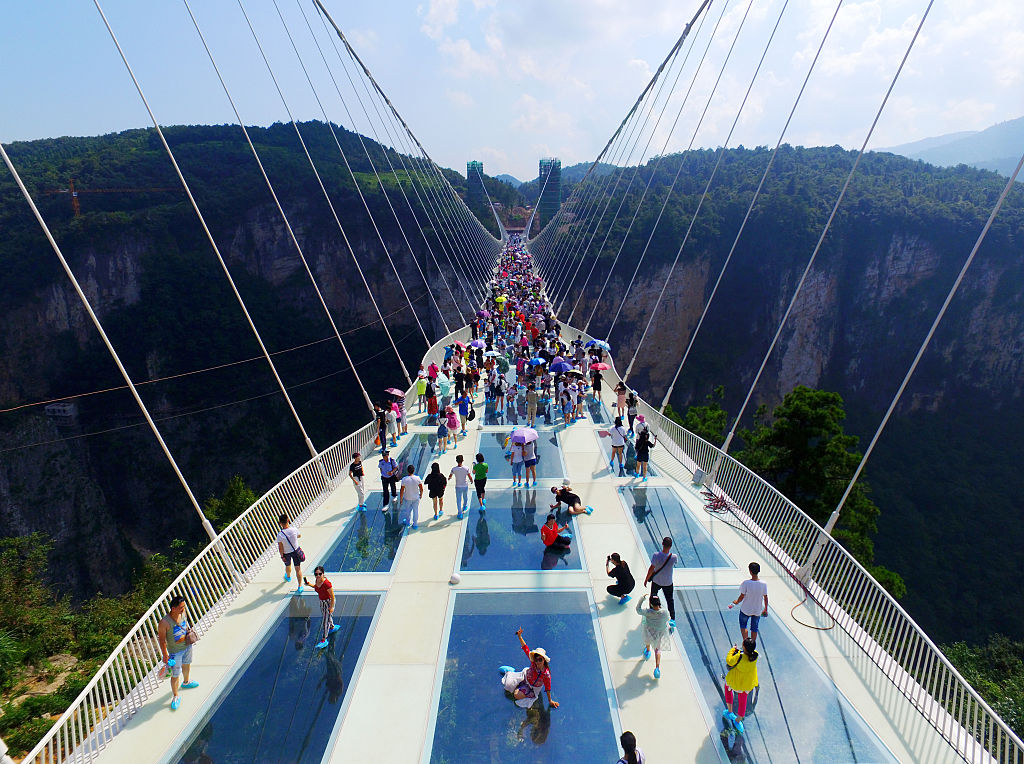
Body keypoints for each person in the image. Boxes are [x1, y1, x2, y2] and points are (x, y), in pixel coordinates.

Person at [499, 627, 559, 709]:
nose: (537, 662)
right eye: (536, 659)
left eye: (540, 659)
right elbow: (525, 648)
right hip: (524, 677)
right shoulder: (533, 662)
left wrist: (550, 701)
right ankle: (511, 672)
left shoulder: (546, 675)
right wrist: (520, 636)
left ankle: (517, 683)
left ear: (544, 660)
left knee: (516, 695)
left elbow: (548, 688)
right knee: (508, 686)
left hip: (532, 687)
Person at [159, 595, 198, 711]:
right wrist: (165, 655)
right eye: (181, 607)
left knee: (187, 664)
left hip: (187, 646)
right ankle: (176, 696)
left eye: (184, 607)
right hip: (175, 652)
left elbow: (185, 625)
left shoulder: (183, 614)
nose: (183, 609)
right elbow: (161, 640)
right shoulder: (164, 623)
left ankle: (186, 682)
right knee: (175, 674)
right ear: (173, 608)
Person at [723, 638, 759, 733]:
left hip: (735, 680)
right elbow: (748, 654)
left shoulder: (739, 657)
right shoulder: (755, 655)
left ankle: (730, 711)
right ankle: (738, 721)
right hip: (746, 683)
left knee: (728, 689)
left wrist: (733, 649)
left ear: (744, 646)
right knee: (743, 701)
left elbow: (729, 661)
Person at [303, 566, 341, 649]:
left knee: (325, 620)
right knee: (327, 617)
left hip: (328, 602)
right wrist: (309, 584)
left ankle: (324, 639)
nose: (318, 576)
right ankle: (332, 627)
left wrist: (331, 607)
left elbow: (332, 596)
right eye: (316, 574)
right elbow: (317, 587)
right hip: (322, 602)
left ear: (323, 574)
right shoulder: (317, 580)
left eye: (320, 574)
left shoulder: (327, 584)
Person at [644, 536, 677, 629]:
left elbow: (651, 569)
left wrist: (646, 579)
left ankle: (651, 612)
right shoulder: (674, 557)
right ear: (671, 546)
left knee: (652, 596)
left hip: (656, 581)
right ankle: (672, 619)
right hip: (668, 582)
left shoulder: (656, 555)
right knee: (670, 600)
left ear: (662, 544)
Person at [636, 593, 671, 678]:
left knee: (647, 641)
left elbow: (638, 610)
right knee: (657, 649)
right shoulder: (664, 612)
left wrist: (642, 599)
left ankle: (648, 651)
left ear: (651, 604)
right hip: (659, 633)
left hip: (649, 631)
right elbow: (668, 618)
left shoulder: (648, 612)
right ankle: (657, 668)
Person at [732, 562, 769, 643]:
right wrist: (765, 609)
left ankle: (746, 643)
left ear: (750, 571)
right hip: (757, 610)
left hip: (746, 609)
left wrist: (736, 602)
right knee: (754, 628)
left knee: (743, 626)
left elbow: (742, 596)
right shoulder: (764, 584)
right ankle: (752, 645)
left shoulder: (746, 583)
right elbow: (765, 597)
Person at [276, 514, 304, 593]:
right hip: (295, 551)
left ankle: (288, 577)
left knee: (288, 566)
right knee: (298, 569)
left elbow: (280, 547)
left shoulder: (280, 535)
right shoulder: (294, 530)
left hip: (286, 553)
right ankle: (300, 586)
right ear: (288, 520)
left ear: (280, 523)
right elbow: (299, 535)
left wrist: (282, 556)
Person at [399, 464, 424, 528]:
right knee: (415, 510)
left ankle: (408, 522)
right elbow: (421, 488)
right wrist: (421, 495)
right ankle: (415, 524)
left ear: (407, 471)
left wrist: (401, 499)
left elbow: (402, 490)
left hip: (407, 498)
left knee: (408, 511)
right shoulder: (417, 478)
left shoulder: (404, 479)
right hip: (416, 497)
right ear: (414, 470)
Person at [449, 454, 471, 519]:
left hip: (458, 486)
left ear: (456, 461)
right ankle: (465, 506)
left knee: (458, 500)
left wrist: (449, 478)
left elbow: (450, 475)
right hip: (465, 485)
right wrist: (471, 480)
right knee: (465, 496)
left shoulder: (454, 469)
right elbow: (469, 476)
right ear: (462, 460)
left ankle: (460, 513)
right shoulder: (466, 468)